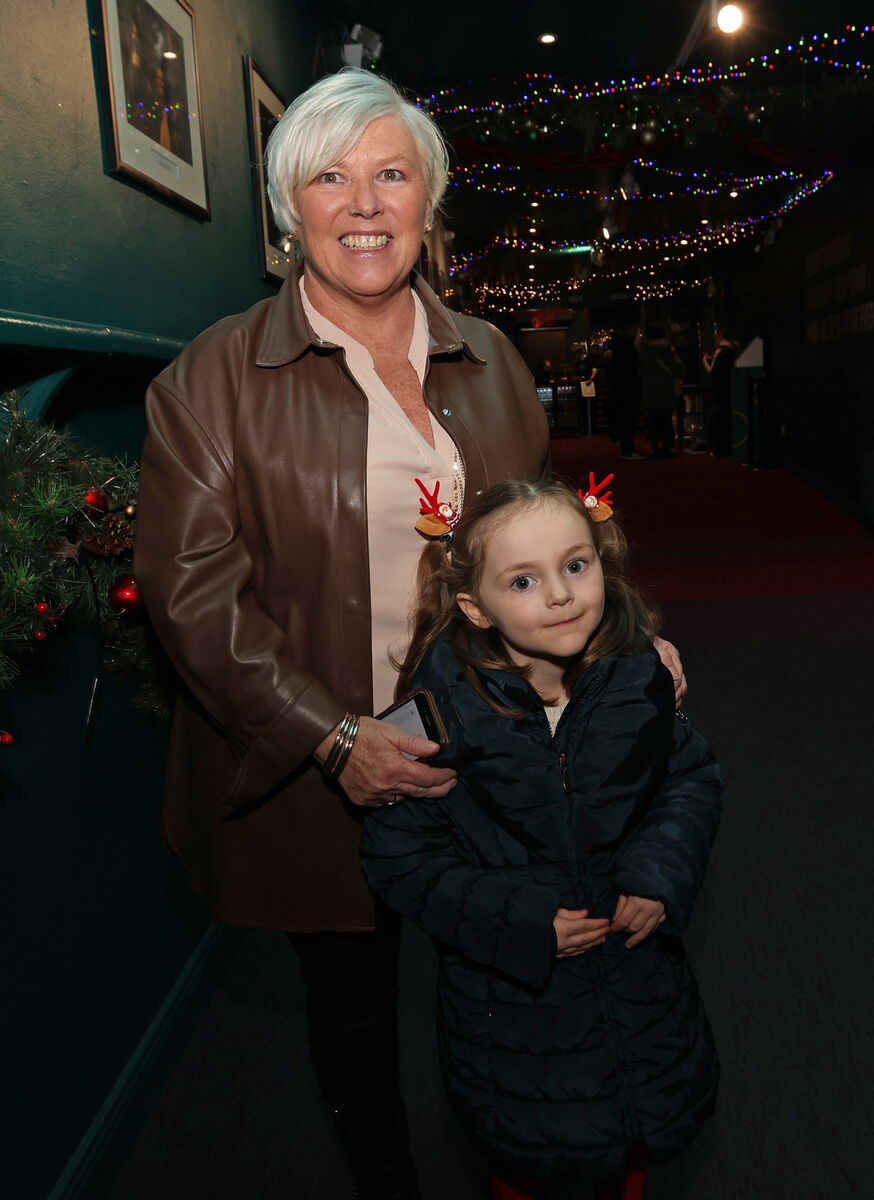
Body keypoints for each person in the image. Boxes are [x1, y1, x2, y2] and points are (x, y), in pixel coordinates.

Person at [135, 68, 687, 1200]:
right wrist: (337, 739)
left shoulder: (493, 360)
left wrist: (629, 643)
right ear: (290, 212)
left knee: (514, 981)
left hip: (496, 749)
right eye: (329, 178)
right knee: (354, 1009)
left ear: (429, 202)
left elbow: (547, 549)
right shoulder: (210, 381)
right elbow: (192, 598)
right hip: (318, 769)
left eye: (391, 173)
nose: (364, 203)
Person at [361, 478, 722, 1200]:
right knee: (528, 1164)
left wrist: (658, 873)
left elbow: (690, 780)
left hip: (636, 984)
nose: (560, 595)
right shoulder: (428, 716)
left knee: (630, 1145)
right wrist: (519, 922)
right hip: (514, 1013)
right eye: (523, 580)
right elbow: (398, 857)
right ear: (473, 606)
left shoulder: (636, 680)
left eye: (576, 566)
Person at [604, 319, 644, 460]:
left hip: (620, 389)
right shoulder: (626, 348)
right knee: (628, 420)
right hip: (627, 389)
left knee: (624, 419)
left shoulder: (615, 348)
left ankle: (626, 447)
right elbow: (630, 368)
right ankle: (628, 450)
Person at [638, 330, 681, 459]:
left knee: (653, 420)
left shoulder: (644, 351)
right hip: (666, 390)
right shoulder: (669, 350)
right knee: (666, 419)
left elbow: (639, 368)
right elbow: (678, 368)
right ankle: (669, 447)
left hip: (649, 390)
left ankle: (655, 448)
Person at [701, 329, 737, 456]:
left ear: (719, 336)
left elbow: (712, 371)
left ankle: (713, 445)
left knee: (716, 418)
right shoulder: (731, 350)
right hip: (729, 388)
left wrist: (705, 360)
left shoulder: (719, 351)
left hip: (719, 389)